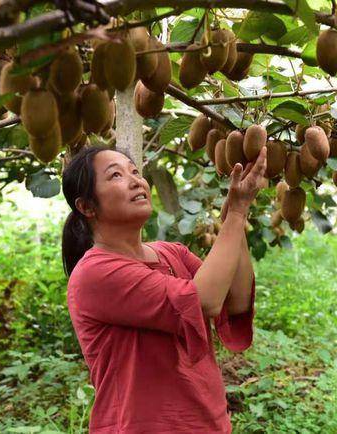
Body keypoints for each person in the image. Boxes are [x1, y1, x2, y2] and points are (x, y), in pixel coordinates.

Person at [62, 144, 268, 433]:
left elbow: (235, 301)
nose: (136, 180)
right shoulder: (94, 273)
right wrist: (235, 213)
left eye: (135, 171)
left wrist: (236, 218)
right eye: (116, 176)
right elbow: (204, 301)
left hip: (209, 423)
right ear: (86, 206)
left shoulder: (173, 253)